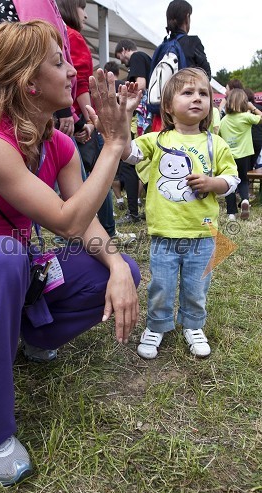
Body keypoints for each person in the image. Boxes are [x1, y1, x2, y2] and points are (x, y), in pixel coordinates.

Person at [0, 20, 141, 486]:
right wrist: (113, 146)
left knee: (119, 266)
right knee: (3, 255)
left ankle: (33, 336)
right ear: (29, 83)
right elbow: (64, 220)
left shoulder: (58, 144)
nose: (73, 72)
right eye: (59, 62)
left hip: (18, 270)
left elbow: (83, 221)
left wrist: (116, 267)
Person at [121, 68, 239, 360]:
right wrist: (126, 115)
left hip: (202, 233)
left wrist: (213, 183)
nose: (197, 98)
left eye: (203, 93)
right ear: (169, 105)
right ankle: (158, 324)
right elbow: (126, 152)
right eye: (187, 93)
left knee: (196, 286)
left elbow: (233, 179)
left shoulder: (216, 143)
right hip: (164, 233)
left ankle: (193, 325)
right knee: (161, 284)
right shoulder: (157, 139)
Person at [57, 0, 135, 243]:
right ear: (71, 9)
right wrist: (88, 121)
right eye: (82, 9)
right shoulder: (73, 36)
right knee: (99, 174)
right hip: (77, 120)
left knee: (70, 179)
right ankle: (105, 232)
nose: (86, 16)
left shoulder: (53, 35)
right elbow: (80, 82)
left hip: (62, 118)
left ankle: (75, 234)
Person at [150, 0, 211, 132]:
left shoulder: (161, 47)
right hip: (185, 119)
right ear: (187, 17)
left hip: (160, 117)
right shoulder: (192, 42)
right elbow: (206, 76)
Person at [115, 39, 151, 223]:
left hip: (140, 120)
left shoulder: (136, 56)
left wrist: (121, 94)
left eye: (120, 56)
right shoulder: (146, 58)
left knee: (128, 164)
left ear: (124, 50)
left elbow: (141, 84)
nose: (121, 61)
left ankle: (133, 213)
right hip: (148, 118)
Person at [219, 88, 262, 220]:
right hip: (244, 156)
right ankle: (244, 200)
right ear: (244, 103)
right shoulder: (246, 117)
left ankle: (231, 212)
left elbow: (219, 136)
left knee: (230, 183)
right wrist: (252, 107)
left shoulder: (224, 120)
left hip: (228, 156)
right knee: (243, 180)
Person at [244, 88, 262, 170]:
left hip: (247, 142)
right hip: (258, 139)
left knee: (247, 168)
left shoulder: (242, 111)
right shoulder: (259, 108)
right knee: (257, 165)